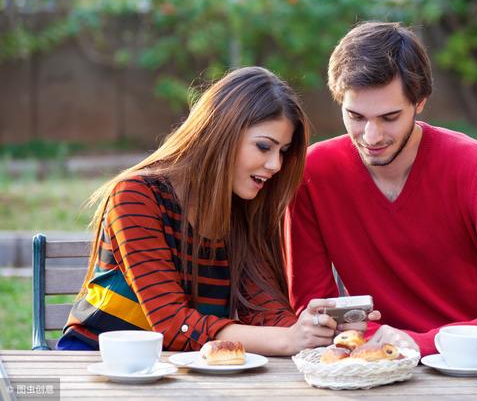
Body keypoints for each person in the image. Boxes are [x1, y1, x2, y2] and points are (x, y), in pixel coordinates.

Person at [287, 21, 477, 356]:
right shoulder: (312, 173)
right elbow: (315, 310)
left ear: (420, 102)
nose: (372, 136)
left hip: (468, 365)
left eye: (390, 117)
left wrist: (419, 343)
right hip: (373, 364)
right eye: (356, 116)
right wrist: (386, 343)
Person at [58, 66, 350, 355]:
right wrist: (288, 339)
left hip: (182, 368)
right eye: (264, 147)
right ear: (222, 132)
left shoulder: (244, 208)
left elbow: (265, 309)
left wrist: (316, 334)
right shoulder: (136, 196)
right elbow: (172, 322)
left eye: (283, 152)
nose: (276, 165)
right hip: (97, 357)